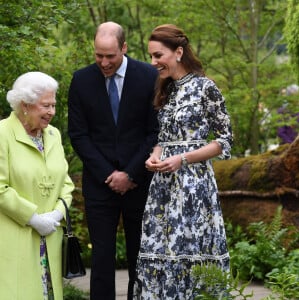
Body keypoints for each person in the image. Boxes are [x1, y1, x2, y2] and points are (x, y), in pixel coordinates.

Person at [133, 24, 233, 299]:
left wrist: (183, 158)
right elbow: (163, 138)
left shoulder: (205, 88)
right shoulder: (166, 90)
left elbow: (224, 140)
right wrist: (155, 155)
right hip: (163, 188)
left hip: (193, 187)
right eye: (151, 56)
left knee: (190, 252)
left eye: (158, 55)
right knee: (159, 252)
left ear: (178, 52)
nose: (153, 62)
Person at [67, 22, 158, 300]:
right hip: (99, 184)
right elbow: (79, 135)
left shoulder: (149, 76)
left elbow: (154, 131)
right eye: (99, 56)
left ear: (124, 48)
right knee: (102, 259)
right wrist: (110, 174)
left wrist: (130, 174)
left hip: (140, 182)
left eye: (110, 56)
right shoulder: (81, 80)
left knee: (139, 257)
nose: (104, 63)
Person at [0, 71, 74, 300]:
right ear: (25, 105)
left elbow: (67, 183)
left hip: (50, 237)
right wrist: (33, 218)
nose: (51, 112)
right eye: (45, 106)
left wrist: (55, 215)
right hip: (14, 239)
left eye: (53, 105)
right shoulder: (2, 133)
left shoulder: (53, 134)